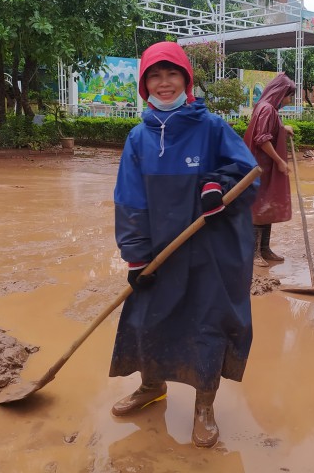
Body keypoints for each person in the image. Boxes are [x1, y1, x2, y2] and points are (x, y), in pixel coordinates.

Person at [110, 41, 258, 448]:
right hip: (160, 252)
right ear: (144, 84)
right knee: (148, 320)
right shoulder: (138, 139)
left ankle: (204, 407)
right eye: (154, 76)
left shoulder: (211, 127)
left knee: (206, 326)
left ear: (186, 80)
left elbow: (247, 173)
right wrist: (136, 254)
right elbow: (129, 200)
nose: (163, 83)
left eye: (171, 74)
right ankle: (151, 387)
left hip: (210, 253)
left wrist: (217, 185)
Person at [243, 73, 296, 267]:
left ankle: (264, 249)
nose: (289, 100)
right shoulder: (267, 109)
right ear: (280, 93)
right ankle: (254, 253)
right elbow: (262, 139)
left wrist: (283, 129)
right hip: (259, 168)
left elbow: (270, 130)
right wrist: (280, 161)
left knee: (267, 204)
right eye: (289, 95)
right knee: (259, 207)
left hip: (264, 168)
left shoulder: (268, 109)